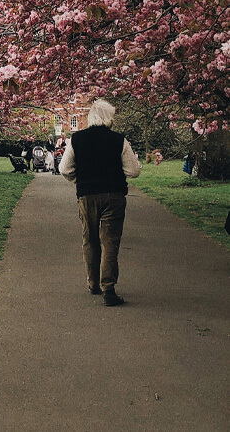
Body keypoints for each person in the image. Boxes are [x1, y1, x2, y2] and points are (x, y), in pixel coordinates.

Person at [59, 100, 140, 306]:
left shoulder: (77, 139)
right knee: (110, 240)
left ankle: (93, 283)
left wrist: (81, 180)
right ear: (108, 118)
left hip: (87, 196)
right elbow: (133, 171)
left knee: (90, 238)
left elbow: (65, 169)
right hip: (114, 195)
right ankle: (109, 289)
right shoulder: (119, 140)